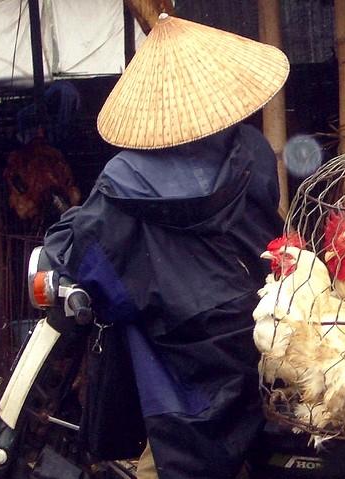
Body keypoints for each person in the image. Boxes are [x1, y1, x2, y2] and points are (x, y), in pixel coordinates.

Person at [41, 13, 288, 479]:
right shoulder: (251, 150)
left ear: (150, 105)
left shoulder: (124, 180)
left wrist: (66, 235)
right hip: (250, 331)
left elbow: (95, 265)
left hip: (180, 358)